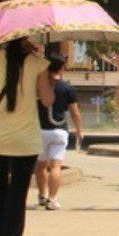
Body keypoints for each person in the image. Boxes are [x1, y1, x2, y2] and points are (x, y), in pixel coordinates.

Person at [0, 37, 53, 236]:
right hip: (25, 138)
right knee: (17, 197)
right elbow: (48, 100)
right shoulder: (38, 63)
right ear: (26, 39)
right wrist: (45, 72)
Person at [34, 54, 83, 211]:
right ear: (61, 68)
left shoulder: (37, 86)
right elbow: (75, 112)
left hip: (40, 130)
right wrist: (79, 130)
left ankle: (42, 195)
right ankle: (52, 199)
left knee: (41, 165)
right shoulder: (67, 88)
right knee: (55, 166)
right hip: (59, 131)